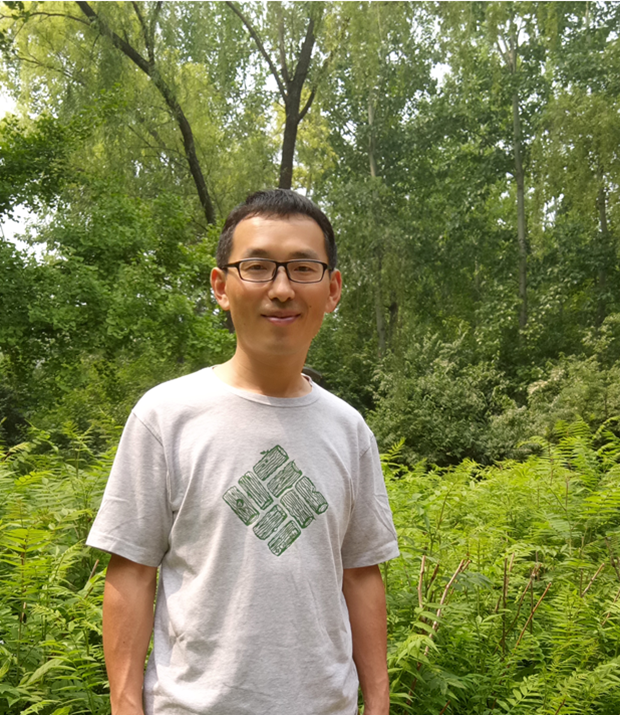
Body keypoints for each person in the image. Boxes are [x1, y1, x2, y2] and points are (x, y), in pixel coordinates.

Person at [87, 189, 399, 715]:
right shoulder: (165, 416)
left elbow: (361, 572)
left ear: (332, 290)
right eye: (257, 267)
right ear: (221, 287)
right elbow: (132, 571)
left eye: (303, 268)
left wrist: (380, 702)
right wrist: (125, 706)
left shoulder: (349, 430)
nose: (281, 289)